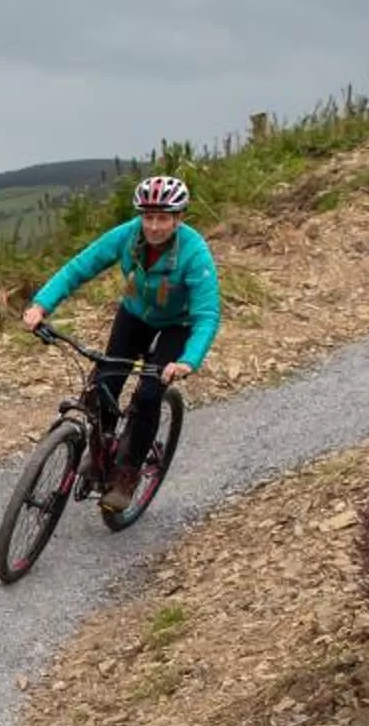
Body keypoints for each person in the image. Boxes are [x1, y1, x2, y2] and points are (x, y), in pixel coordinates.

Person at [22, 173, 221, 508]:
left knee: (147, 394)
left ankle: (127, 472)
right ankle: (102, 453)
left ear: (179, 218)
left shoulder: (194, 253)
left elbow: (207, 314)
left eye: (162, 218)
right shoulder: (128, 236)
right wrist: (42, 305)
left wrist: (188, 360)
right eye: (148, 217)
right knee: (103, 384)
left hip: (177, 324)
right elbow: (79, 267)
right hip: (135, 314)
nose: (154, 226)